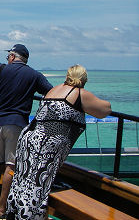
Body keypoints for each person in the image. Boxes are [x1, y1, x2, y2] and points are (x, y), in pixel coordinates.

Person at [6, 65, 111, 219]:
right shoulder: (79, 93)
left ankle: (13, 214)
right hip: (44, 144)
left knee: (22, 184)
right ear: (83, 79)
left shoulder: (53, 90)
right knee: (36, 188)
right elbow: (104, 110)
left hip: (29, 138)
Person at [0, 44, 53, 219]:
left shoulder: (2, 70)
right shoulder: (34, 75)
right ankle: (1, 208)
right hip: (17, 124)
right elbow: (51, 92)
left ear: (13, 57)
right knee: (10, 166)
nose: (7, 59)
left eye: (8, 56)